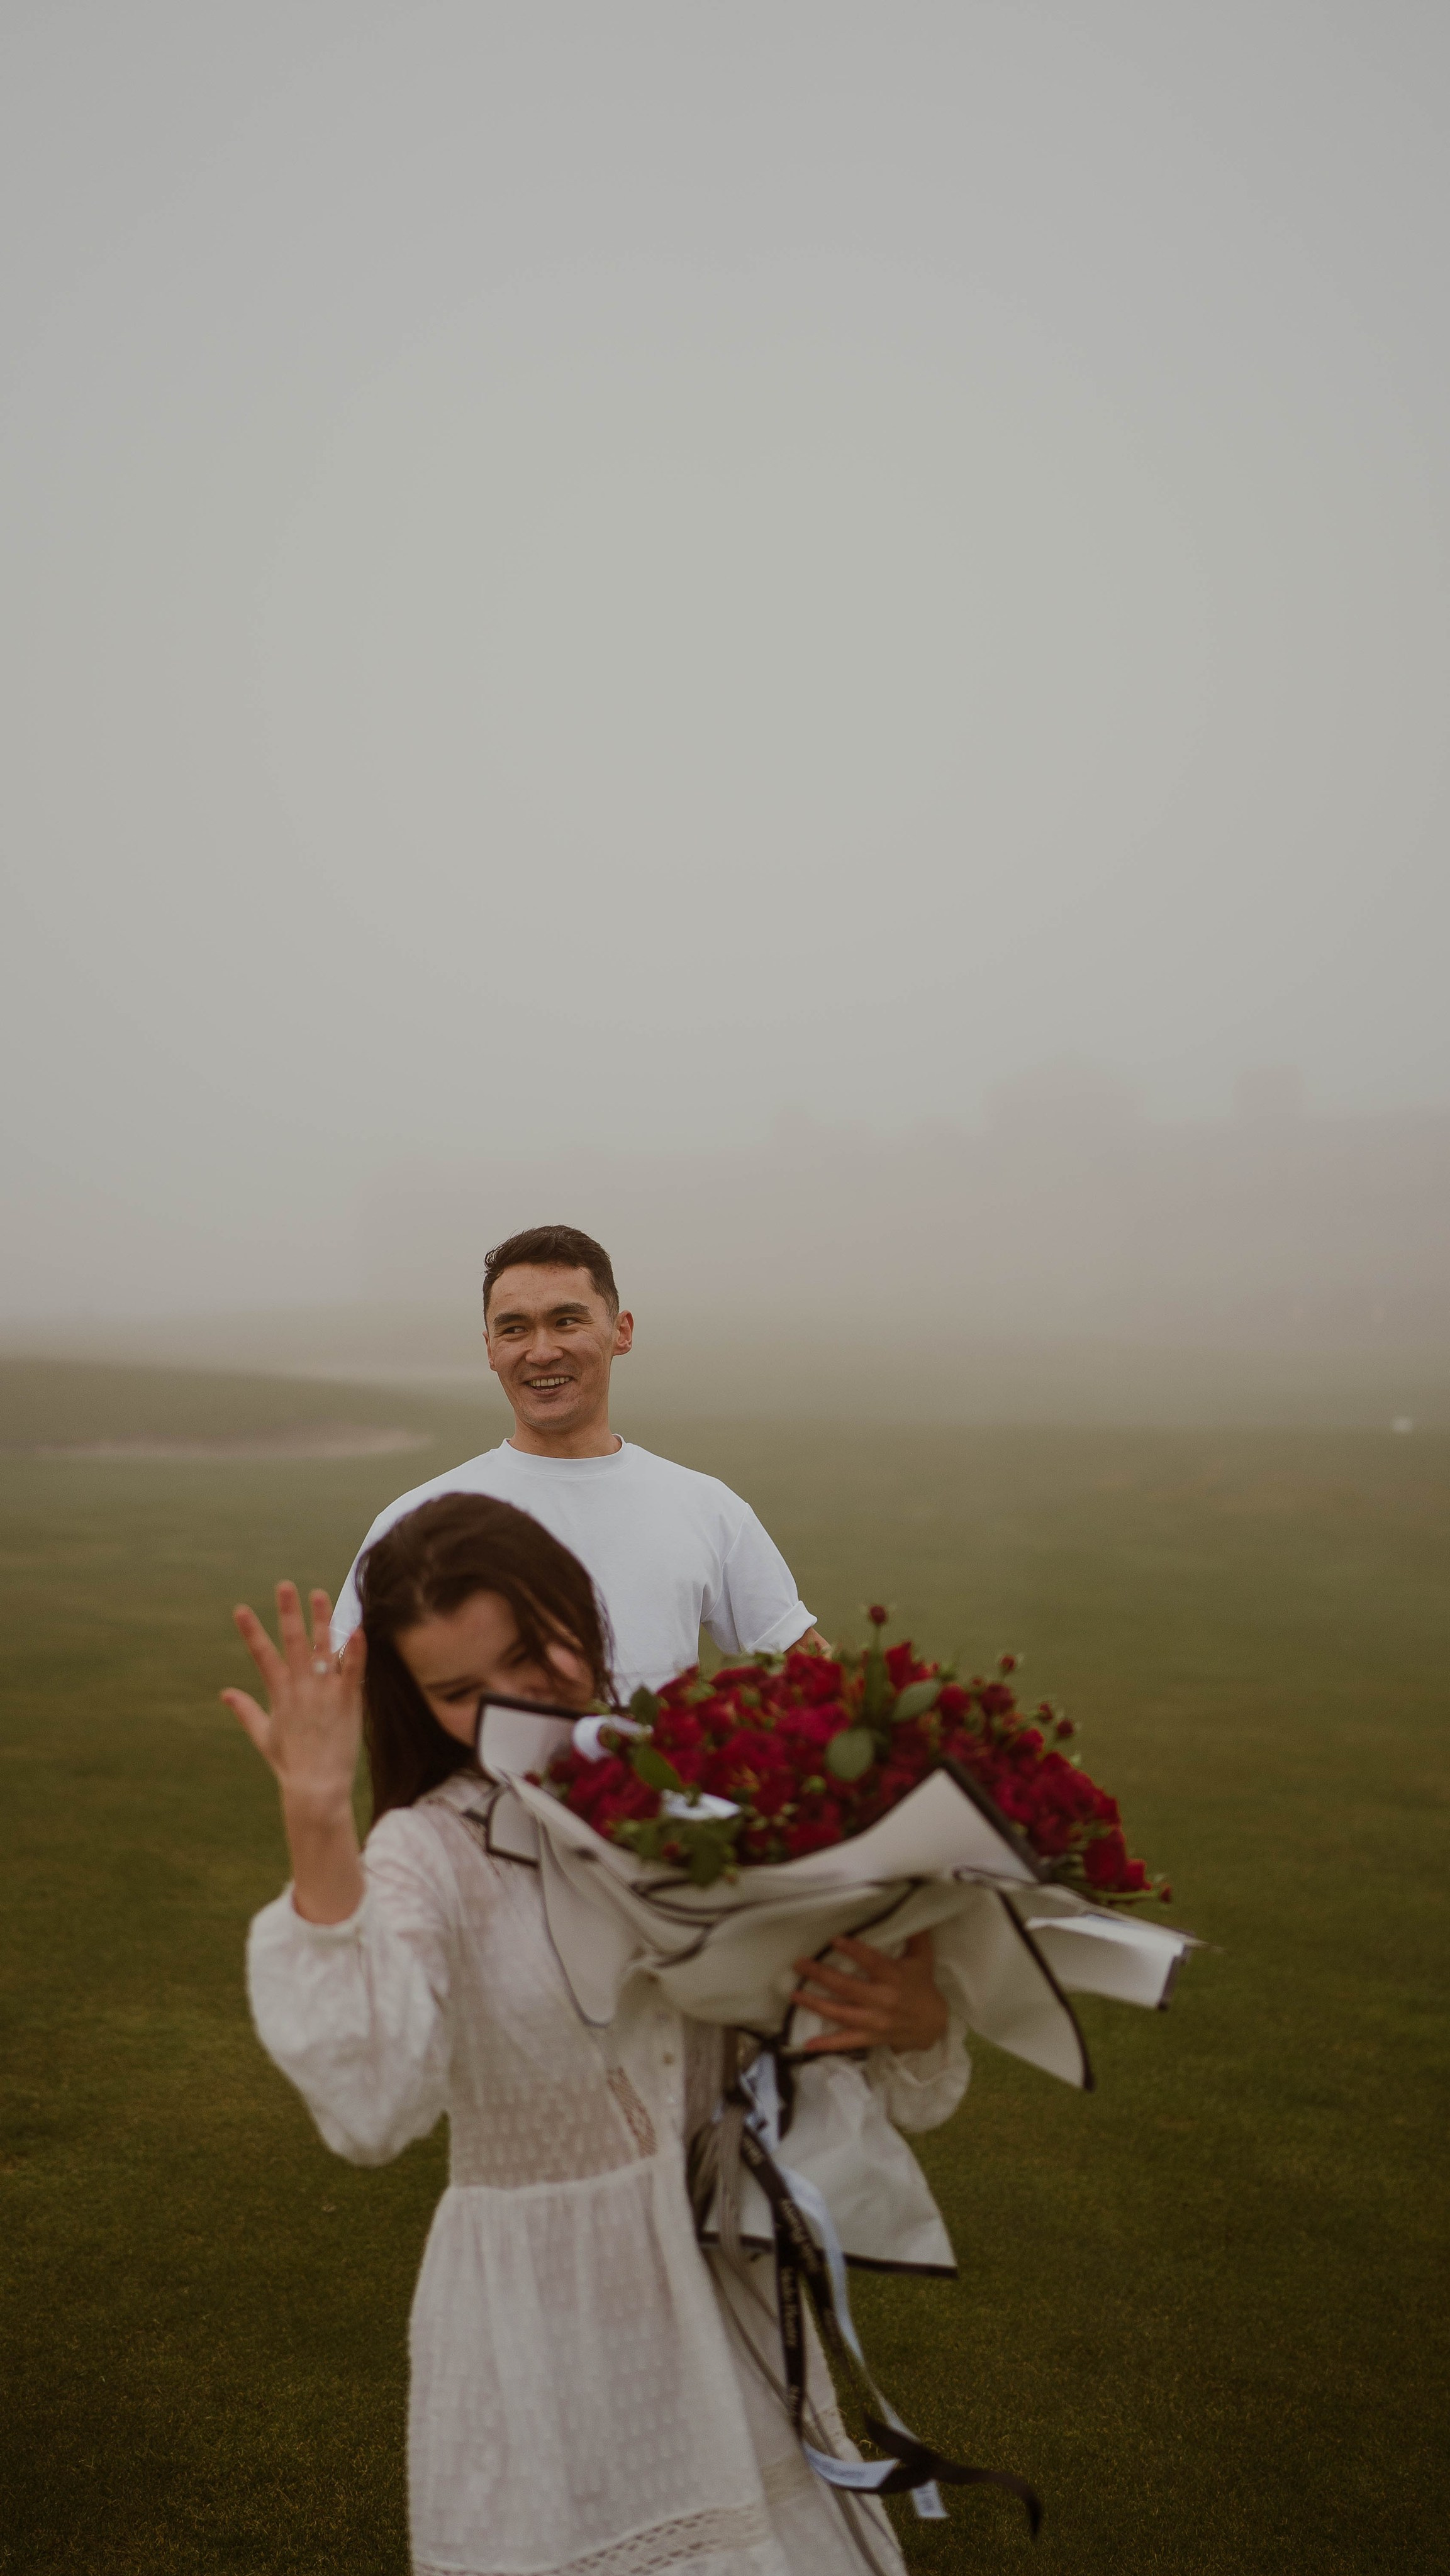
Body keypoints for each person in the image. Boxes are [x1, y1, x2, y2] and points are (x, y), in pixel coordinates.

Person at [231, 1495, 968, 2576]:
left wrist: (915, 2020)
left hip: (730, 2308)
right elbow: (372, 2107)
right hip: (541, 2345)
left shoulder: (714, 1781)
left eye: (534, 1651)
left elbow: (852, 2065)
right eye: (457, 1691)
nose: (512, 1702)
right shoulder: (426, 1855)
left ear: (580, 1605)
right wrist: (317, 1817)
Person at [332, 1224, 825, 1699]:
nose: (541, 1352)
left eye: (566, 1321)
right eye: (514, 1329)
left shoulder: (708, 1508)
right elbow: (338, 1693)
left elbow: (809, 1674)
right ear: (489, 1348)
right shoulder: (417, 1521)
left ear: (621, 1332)